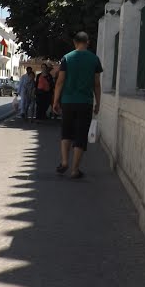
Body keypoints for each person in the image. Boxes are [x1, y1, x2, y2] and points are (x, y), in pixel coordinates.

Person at [52, 31, 102, 179]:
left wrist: (55, 101)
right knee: (80, 135)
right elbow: (97, 84)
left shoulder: (67, 58)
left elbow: (60, 81)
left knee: (66, 132)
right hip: (85, 102)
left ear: (75, 43)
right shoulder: (94, 59)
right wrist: (98, 103)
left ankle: (65, 161)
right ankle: (75, 169)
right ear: (88, 43)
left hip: (68, 101)